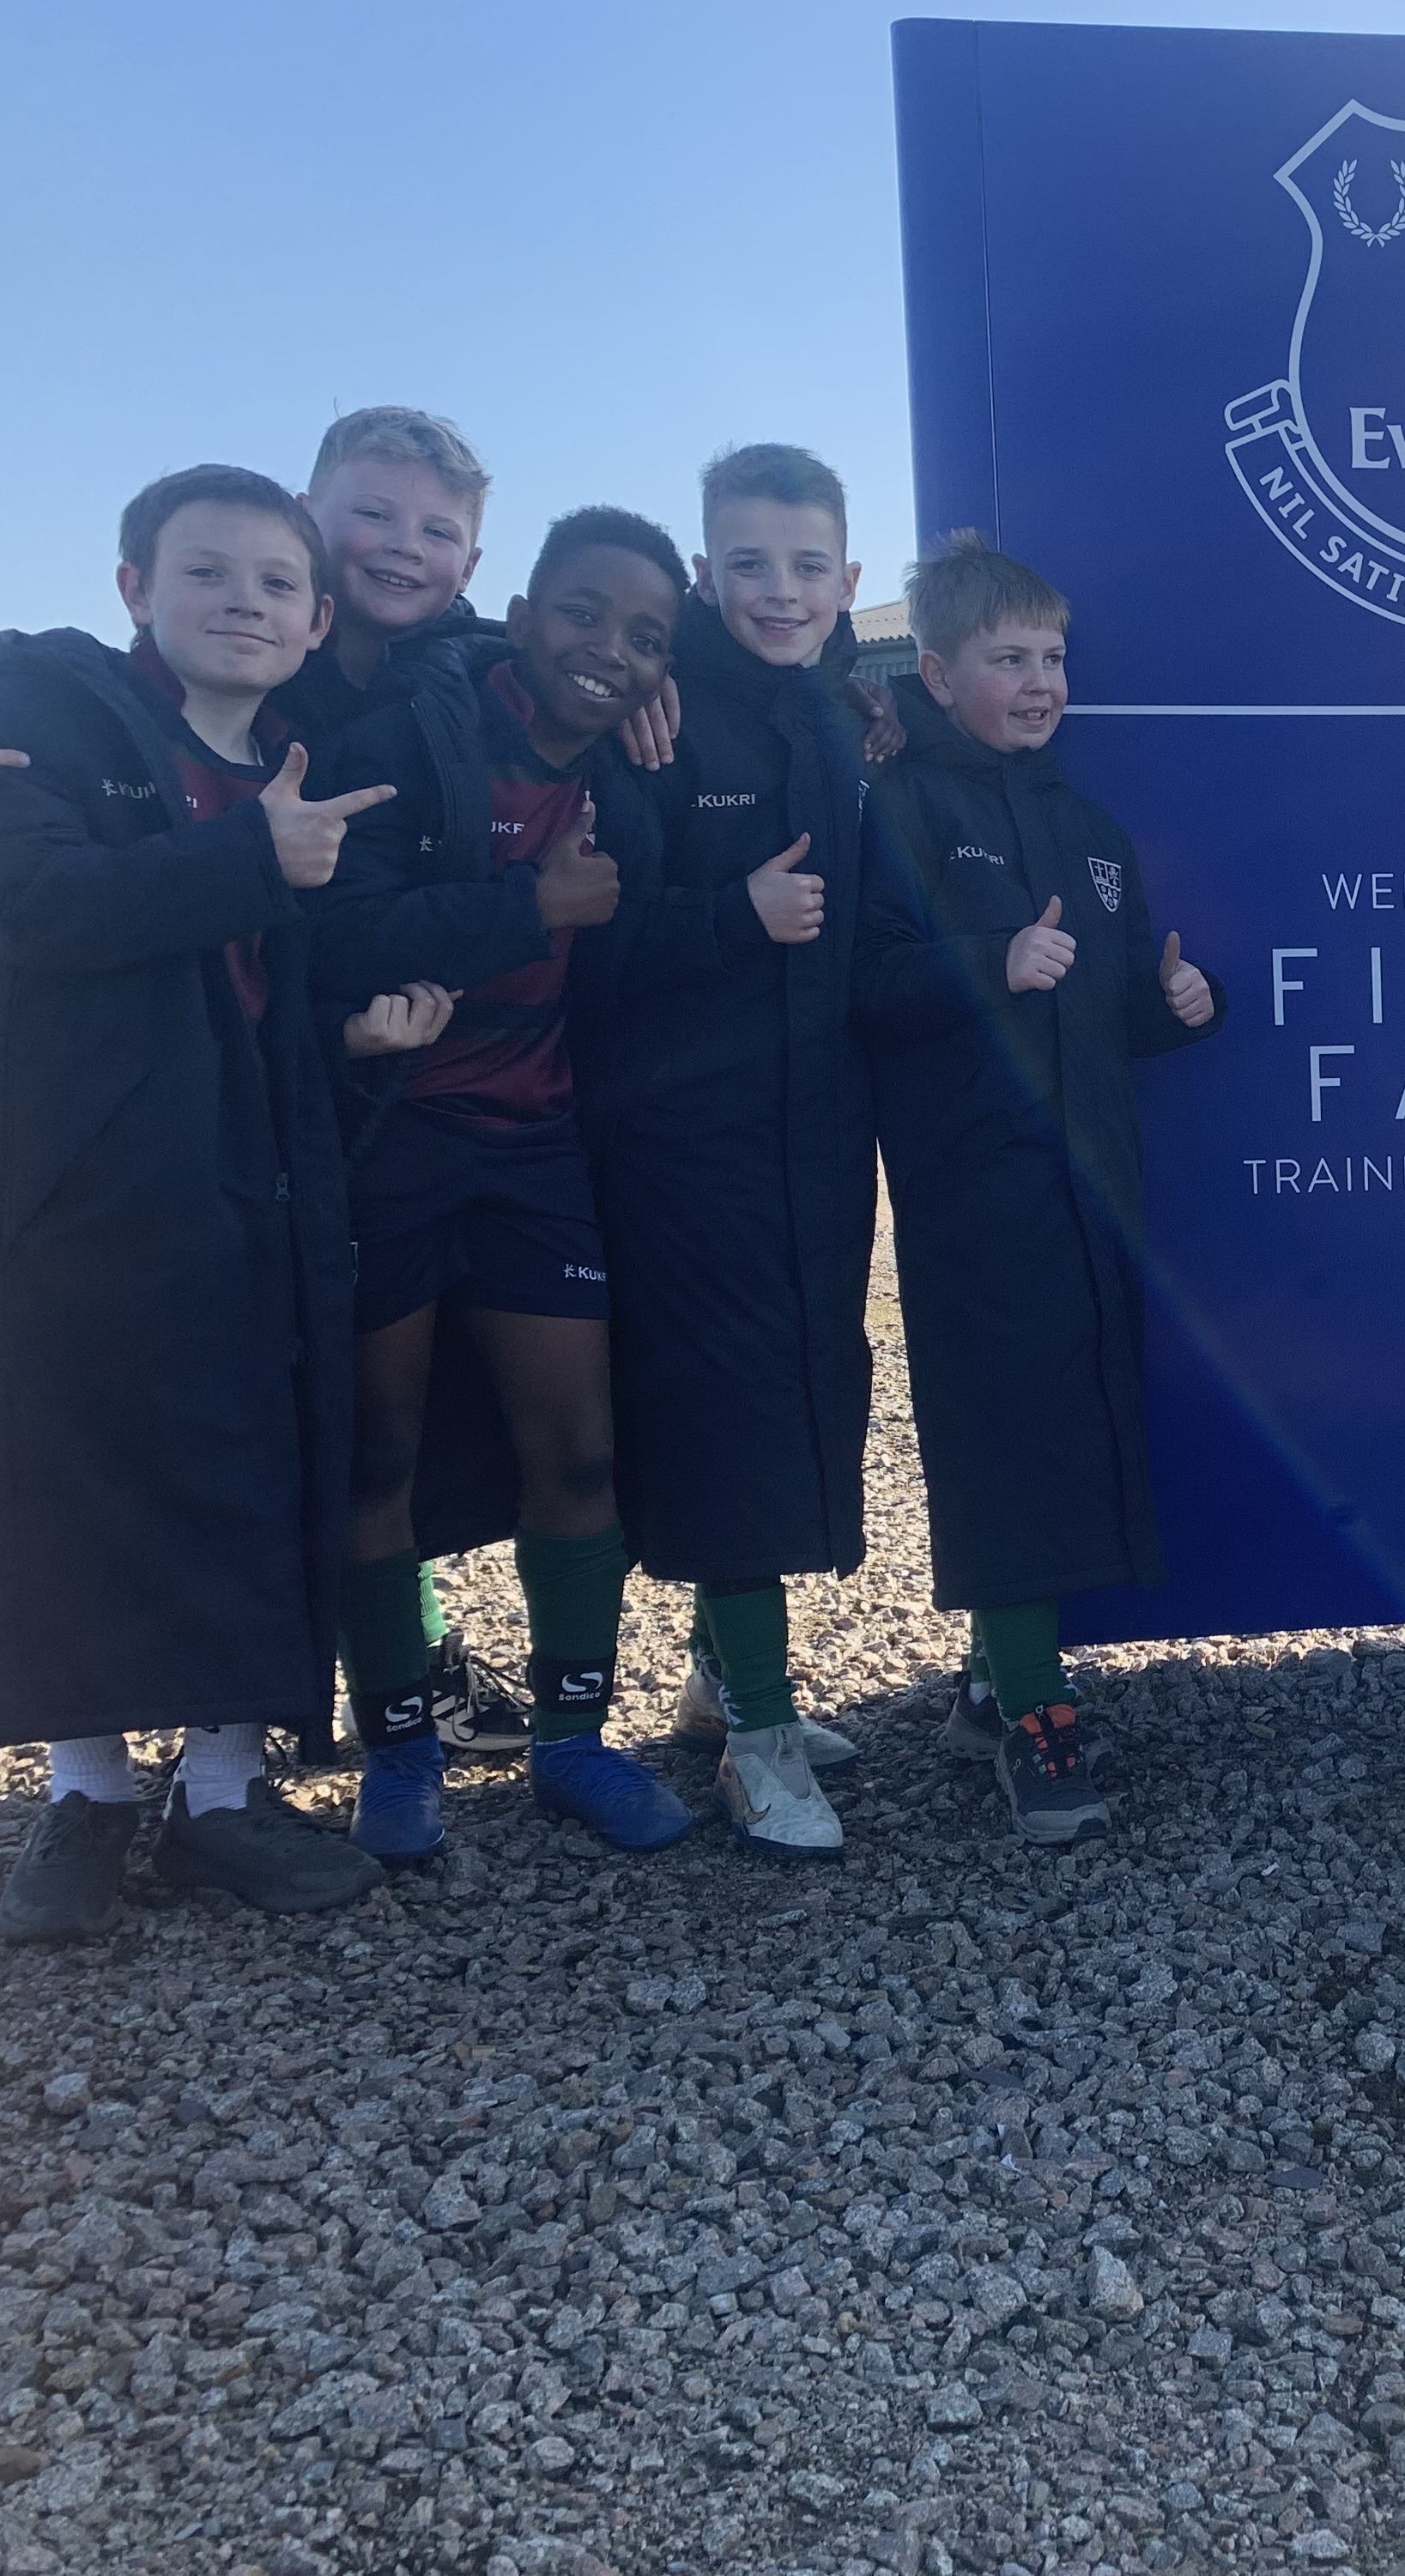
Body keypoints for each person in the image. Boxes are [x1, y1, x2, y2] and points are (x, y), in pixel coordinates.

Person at [0, 408, 544, 1757]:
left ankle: (274, 1757)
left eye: (437, 532)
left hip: (290, 1140)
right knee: (95, 1464)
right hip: (107, 1155)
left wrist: (836, 679)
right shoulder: (94, 697)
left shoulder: (444, 674)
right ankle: (100, 1783)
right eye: (368, 518)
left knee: (297, 1448)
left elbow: (563, 654)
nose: (398, 550)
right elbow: (32, 876)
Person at [0, 465, 415, 1940]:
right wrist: (248, 855)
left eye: (275, 584)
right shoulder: (50, 705)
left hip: (250, 1170)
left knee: (247, 1472)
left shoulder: (302, 758)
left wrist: (352, 1039)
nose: (244, 605)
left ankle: (219, 1796)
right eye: (209, 574)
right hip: (77, 1177)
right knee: (68, 1469)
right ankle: (85, 1796)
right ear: (136, 588)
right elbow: (34, 908)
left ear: (320, 618)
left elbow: (258, 990)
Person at [309, 508, 717, 1863]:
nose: (609, 651)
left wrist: (870, 722)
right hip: (396, 1140)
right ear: (525, 613)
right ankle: (401, 1753)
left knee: (583, 1452)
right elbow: (330, 936)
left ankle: (571, 1745)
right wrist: (525, 907)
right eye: (585, 615)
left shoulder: (632, 775)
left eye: (646, 637)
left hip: (538, 1149)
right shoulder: (416, 741)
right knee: (380, 1453)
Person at [864, 534, 1227, 1844]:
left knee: (1072, 1430)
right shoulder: (898, 809)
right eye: (1007, 659)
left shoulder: (1090, 826)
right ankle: (1033, 1712)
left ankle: (988, 1679)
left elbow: (1118, 1009)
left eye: (1053, 657)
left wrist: (1184, 1006)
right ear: (937, 667)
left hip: (1096, 1187)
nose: (1038, 682)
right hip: (976, 1191)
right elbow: (863, 984)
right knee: (1006, 1439)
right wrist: (986, 956)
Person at [605, 443, 888, 1855]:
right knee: (728, 1418)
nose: (783, 591)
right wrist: (729, 915)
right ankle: (761, 1740)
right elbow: (582, 932)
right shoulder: (647, 721)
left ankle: (724, 1684)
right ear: (705, 571)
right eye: (753, 564)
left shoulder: (839, 714)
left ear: (850, 576)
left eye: (810, 565)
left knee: (802, 1391)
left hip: (818, 1125)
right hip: (687, 1137)